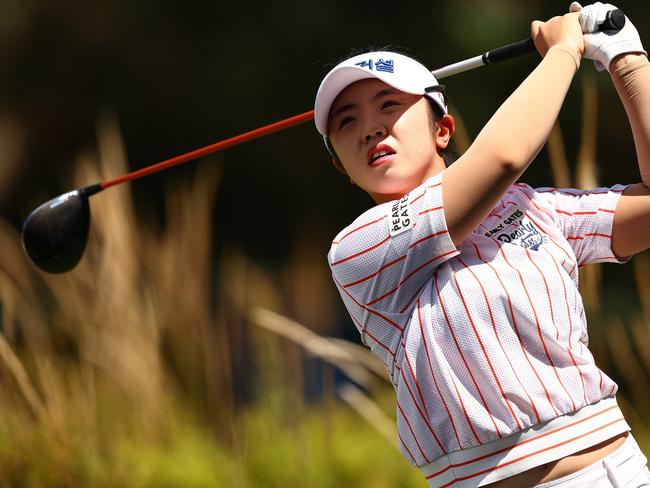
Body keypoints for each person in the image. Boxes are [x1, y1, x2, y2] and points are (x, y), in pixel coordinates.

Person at [314, 2, 650, 487]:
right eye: (346, 122)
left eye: (389, 105)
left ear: (442, 130)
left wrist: (627, 58)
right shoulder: (358, 250)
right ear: (342, 168)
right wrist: (563, 52)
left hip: (620, 469)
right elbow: (502, 156)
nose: (370, 127)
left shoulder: (533, 208)